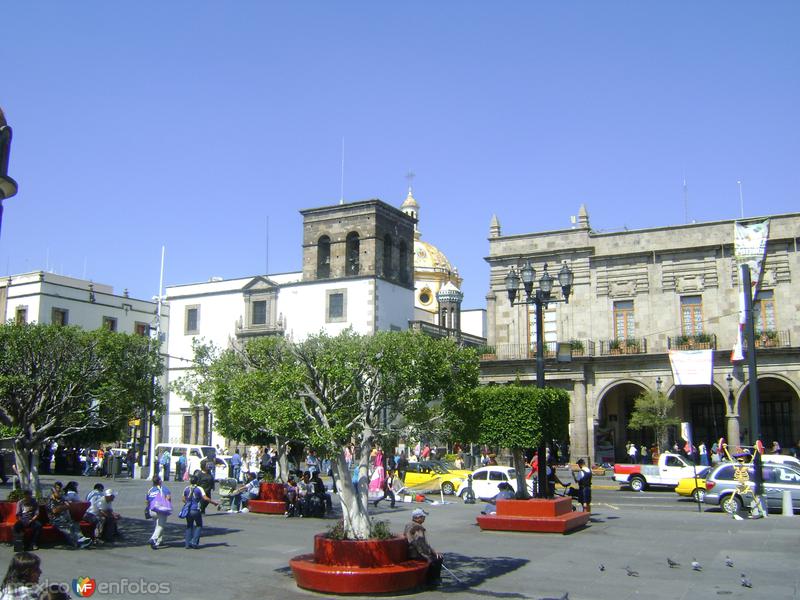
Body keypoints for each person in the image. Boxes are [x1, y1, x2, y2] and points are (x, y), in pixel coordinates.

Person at [404, 508, 442, 586]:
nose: (424, 518)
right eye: (422, 517)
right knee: (437, 559)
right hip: (415, 553)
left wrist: (432, 550)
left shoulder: (409, 524)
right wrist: (429, 554)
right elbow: (420, 544)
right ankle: (433, 580)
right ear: (417, 518)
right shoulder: (417, 528)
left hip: (410, 551)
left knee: (434, 556)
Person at [46, 483, 91, 549]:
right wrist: (65, 506)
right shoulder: (50, 499)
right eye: (58, 490)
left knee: (75, 524)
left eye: (61, 490)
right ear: (53, 490)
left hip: (66, 519)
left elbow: (69, 505)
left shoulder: (62, 498)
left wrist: (65, 506)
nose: (60, 492)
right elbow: (55, 511)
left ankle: (81, 538)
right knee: (68, 530)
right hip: (56, 520)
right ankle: (77, 543)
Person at [182, 475, 218, 549]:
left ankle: (187, 543)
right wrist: (214, 502)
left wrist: (188, 503)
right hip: (196, 509)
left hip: (188, 509)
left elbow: (183, 499)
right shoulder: (199, 488)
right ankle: (194, 542)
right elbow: (205, 498)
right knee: (199, 525)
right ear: (197, 481)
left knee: (189, 526)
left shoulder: (186, 488)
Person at [145, 475, 171, 550]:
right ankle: (153, 539)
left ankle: (159, 541)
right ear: (159, 481)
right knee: (160, 526)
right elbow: (168, 498)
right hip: (160, 510)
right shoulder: (164, 489)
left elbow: (147, 501)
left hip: (152, 510)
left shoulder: (150, 490)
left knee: (157, 525)